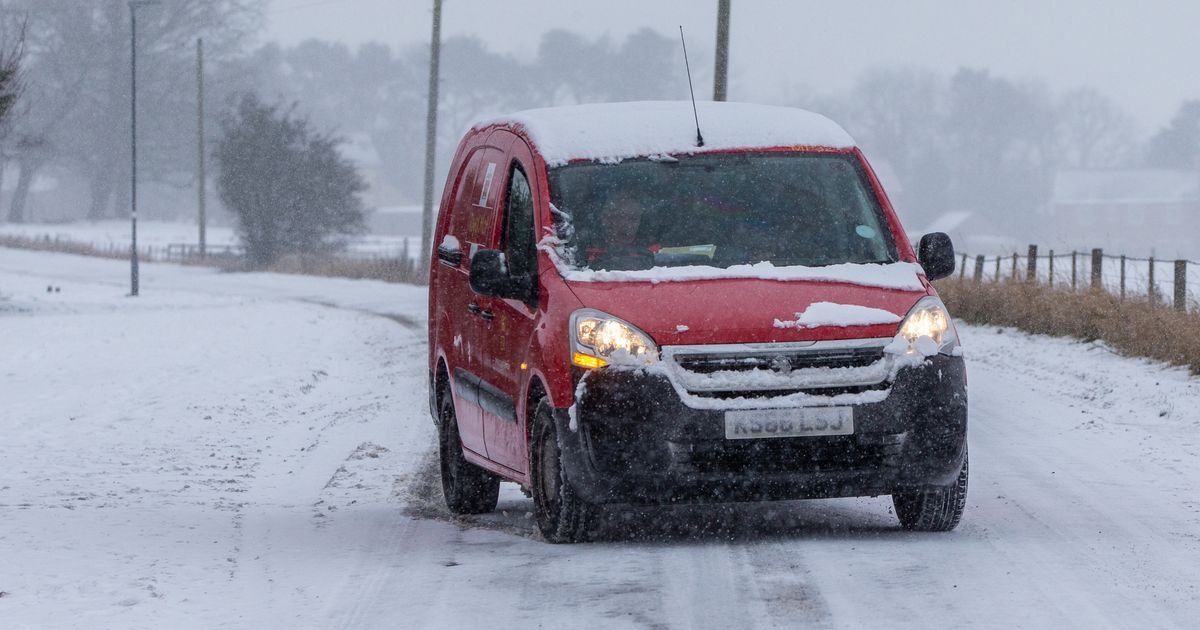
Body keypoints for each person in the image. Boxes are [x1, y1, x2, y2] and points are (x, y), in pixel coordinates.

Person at [585, 191, 656, 270]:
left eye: (633, 218)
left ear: (640, 220)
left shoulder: (652, 247)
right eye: (621, 217)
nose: (627, 223)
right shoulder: (588, 247)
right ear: (606, 218)